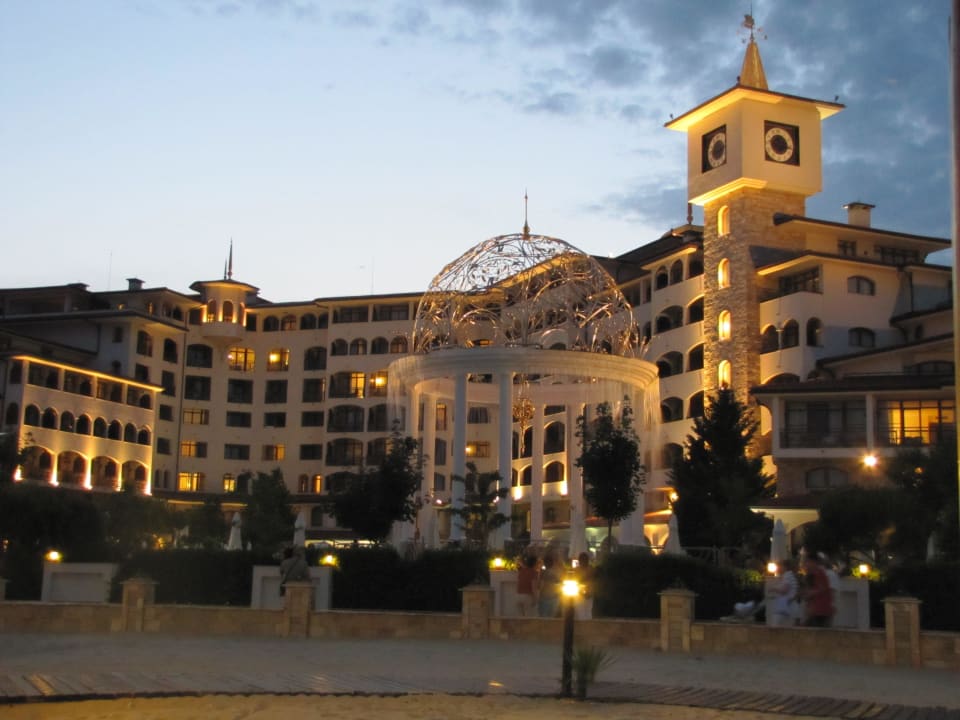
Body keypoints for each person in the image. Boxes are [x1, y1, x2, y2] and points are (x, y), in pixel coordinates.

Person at [803, 555, 834, 627]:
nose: (806, 564)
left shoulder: (818, 573)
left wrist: (810, 593)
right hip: (818, 610)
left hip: (820, 610)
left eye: (807, 562)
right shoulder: (814, 574)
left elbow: (822, 588)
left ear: (813, 562)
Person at [770, 558, 799, 627]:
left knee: (775, 628)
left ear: (784, 567)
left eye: (779, 566)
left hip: (786, 607)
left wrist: (773, 589)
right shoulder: (791, 575)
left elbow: (784, 590)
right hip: (790, 606)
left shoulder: (788, 575)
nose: (778, 568)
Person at [574, 552, 594, 620]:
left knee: (587, 614)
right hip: (579, 595)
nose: (583, 562)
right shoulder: (577, 570)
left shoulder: (591, 569)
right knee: (580, 615)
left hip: (588, 595)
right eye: (582, 560)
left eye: (585, 560)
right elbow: (576, 582)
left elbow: (592, 582)